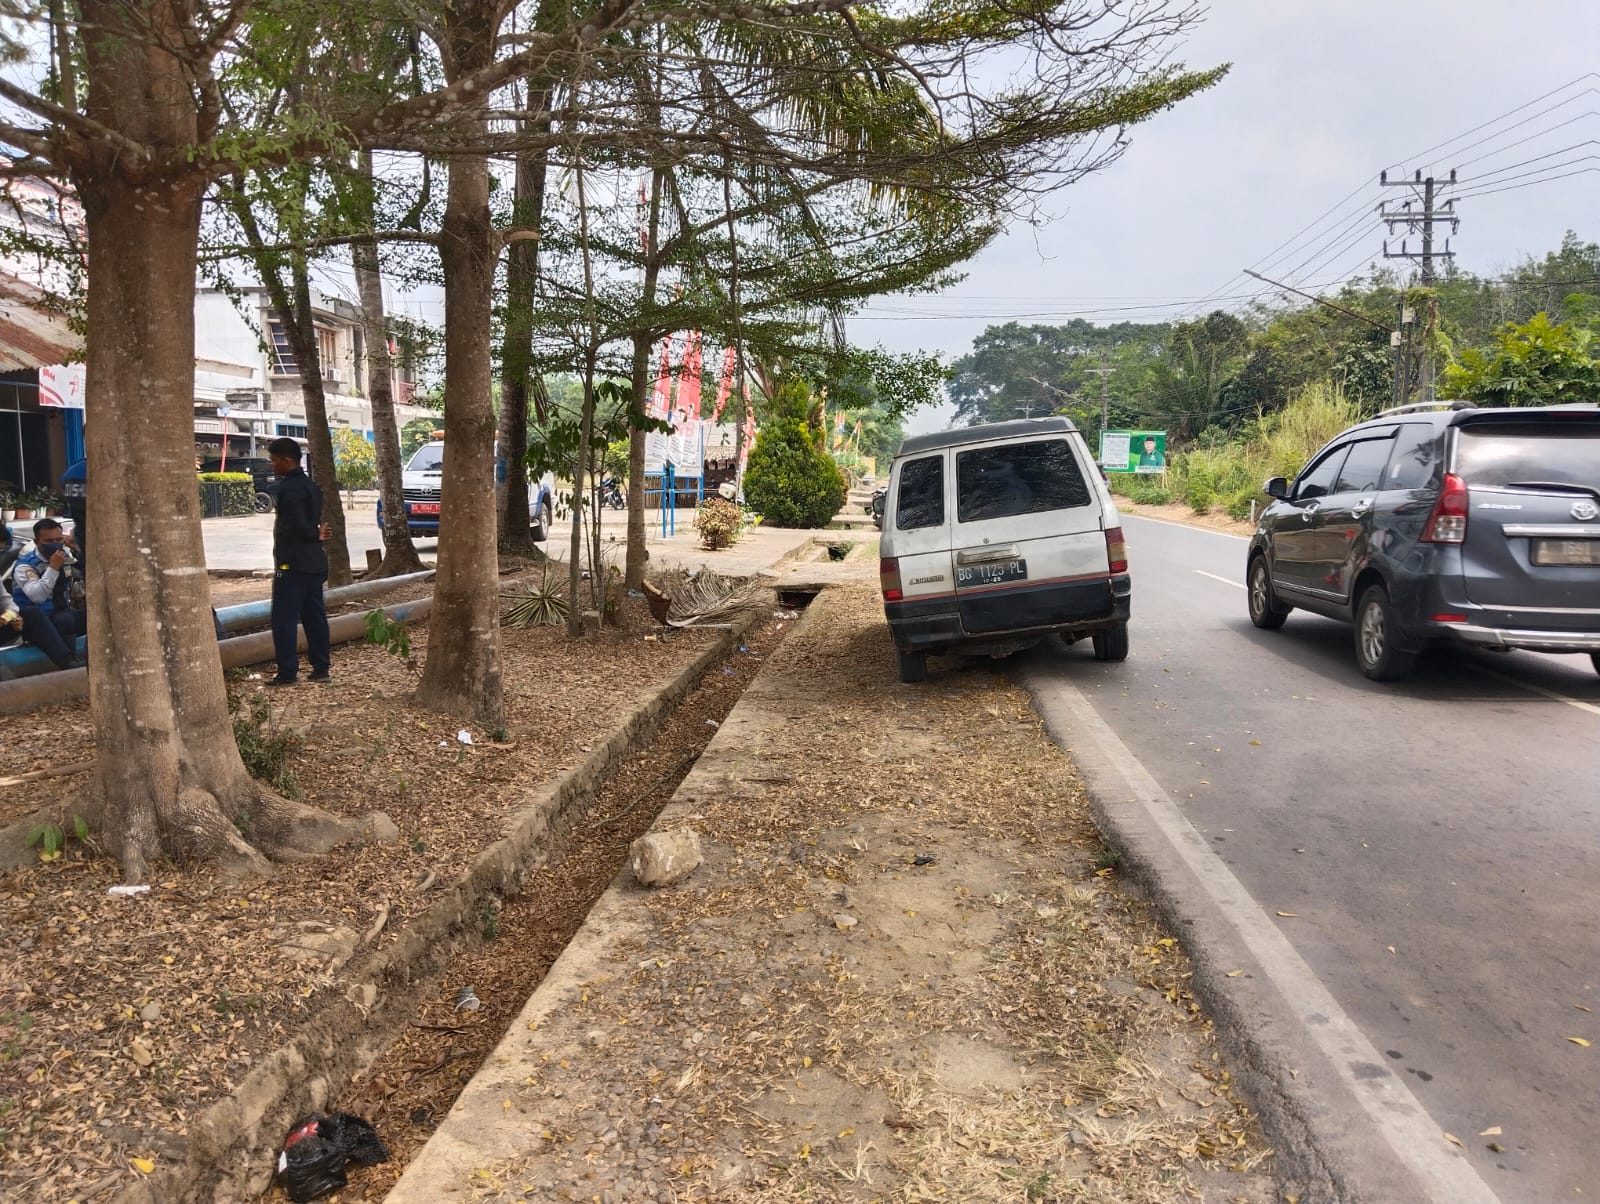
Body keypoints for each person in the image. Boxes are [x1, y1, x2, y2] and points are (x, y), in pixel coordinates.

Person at [266, 437, 332, 685]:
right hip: (314, 563)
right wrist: (316, 534)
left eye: (274, 461)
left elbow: (295, 525)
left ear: (287, 460)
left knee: (283, 619)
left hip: (292, 564)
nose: (272, 466)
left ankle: (287, 672)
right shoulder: (311, 486)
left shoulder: (288, 490)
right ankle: (321, 667)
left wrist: (312, 533)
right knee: (314, 616)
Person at [9, 518, 88, 670]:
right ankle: (68, 662)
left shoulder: (65, 556)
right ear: (36, 541)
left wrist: (77, 550)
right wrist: (52, 567)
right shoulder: (25, 566)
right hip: (35, 622)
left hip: (61, 613)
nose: (55, 544)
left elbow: (86, 573)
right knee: (58, 618)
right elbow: (37, 597)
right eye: (49, 541)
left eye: (58, 539)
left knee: (93, 613)